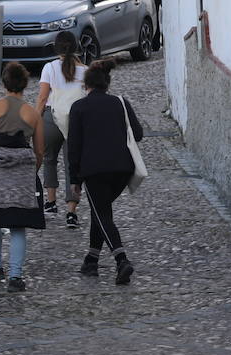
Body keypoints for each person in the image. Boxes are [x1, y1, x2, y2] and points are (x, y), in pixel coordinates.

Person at [66, 59, 144, 284]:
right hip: (122, 170)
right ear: (106, 84)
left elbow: (74, 147)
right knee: (100, 212)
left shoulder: (79, 107)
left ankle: (122, 260)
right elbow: (137, 134)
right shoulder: (121, 103)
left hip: (94, 171)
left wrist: (75, 180)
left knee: (101, 213)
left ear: (86, 86)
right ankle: (91, 260)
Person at [0, 61, 46, 292]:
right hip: (22, 168)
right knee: (18, 224)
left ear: (4, 82)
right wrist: (31, 171)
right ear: (25, 84)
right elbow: (40, 151)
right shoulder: (33, 113)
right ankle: (16, 276)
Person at [35, 31, 87, 228]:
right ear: (76, 47)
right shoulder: (86, 71)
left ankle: (50, 203)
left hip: (52, 117)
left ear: (56, 48)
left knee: (49, 158)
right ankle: (71, 213)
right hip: (76, 121)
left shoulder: (49, 68)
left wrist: (33, 119)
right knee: (72, 166)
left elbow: (42, 97)